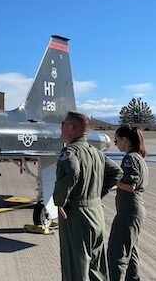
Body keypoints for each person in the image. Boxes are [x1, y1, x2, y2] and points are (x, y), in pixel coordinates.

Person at [54, 111, 123, 281]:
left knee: (75, 268)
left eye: (63, 124)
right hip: (96, 214)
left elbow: (72, 172)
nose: (61, 128)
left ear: (72, 128)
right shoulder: (96, 152)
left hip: (76, 216)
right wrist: (96, 195)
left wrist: (60, 201)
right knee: (96, 268)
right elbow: (117, 172)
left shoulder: (70, 152)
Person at [107, 126, 149, 281]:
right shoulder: (139, 157)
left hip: (128, 212)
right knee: (131, 253)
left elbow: (130, 186)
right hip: (134, 211)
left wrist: (113, 181)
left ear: (125, 140)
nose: (116, 144)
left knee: (117, 254)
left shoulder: (130, 158)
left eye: (116, 140)